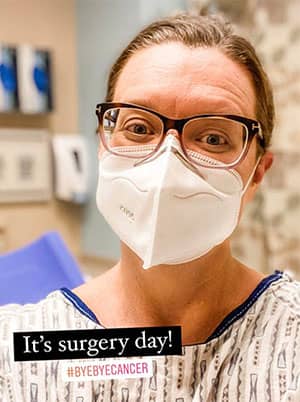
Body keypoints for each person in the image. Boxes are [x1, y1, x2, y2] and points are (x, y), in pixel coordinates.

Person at [1, 13, 300, 402]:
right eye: (139, 128)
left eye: (212, 138)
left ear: (257, 173)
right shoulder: (18, 355)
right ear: (102, 145)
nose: (168, 161)